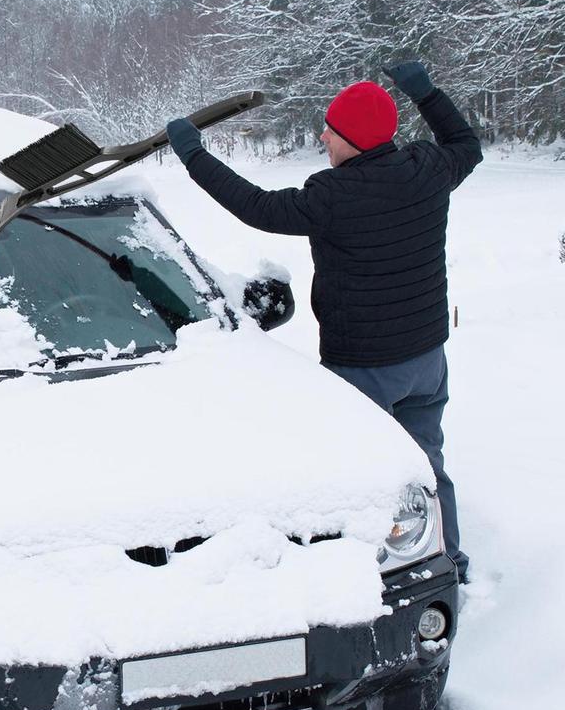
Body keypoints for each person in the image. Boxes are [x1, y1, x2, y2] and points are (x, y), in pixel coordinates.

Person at [166, 61, 482, 583]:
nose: (322, 136)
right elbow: (465, 142)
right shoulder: (428, 168)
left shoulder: (333, 197)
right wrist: (424, 92)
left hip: (364, 368)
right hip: (427, 359)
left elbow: (257, 206)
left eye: (330, 130)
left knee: (360, 479)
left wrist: (193, 154)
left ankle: (364, 578)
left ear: (352, 140)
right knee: (426, 465)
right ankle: (448, 562)